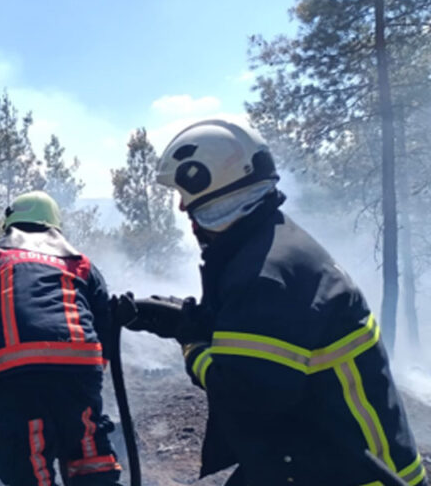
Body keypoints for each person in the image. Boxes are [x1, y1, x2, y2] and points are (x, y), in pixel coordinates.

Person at [126, 118, 427, 486]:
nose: (182, 209)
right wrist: (183, 318)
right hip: (326, 454)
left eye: (185, 198)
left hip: (359, 476)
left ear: (210, 191)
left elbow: (245, 396)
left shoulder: (264, 276)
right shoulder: (273, 245)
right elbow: (254, 329)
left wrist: (192, 347)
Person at [0, 190, 122, 486]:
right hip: (80, 368)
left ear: (11, 223)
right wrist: (97, 366)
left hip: (19, 371)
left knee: (26, 455)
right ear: (53, 224)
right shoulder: (80, 262)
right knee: (86, 447)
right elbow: (103, 317)